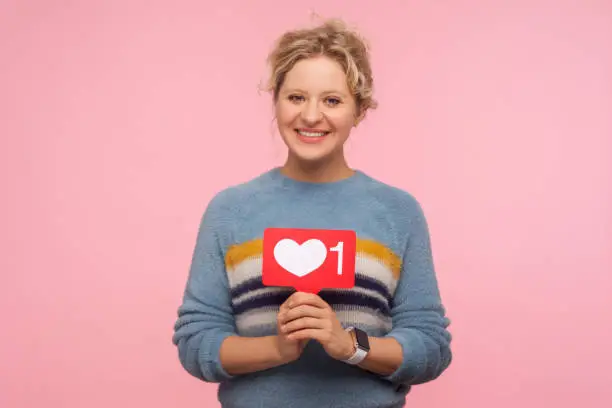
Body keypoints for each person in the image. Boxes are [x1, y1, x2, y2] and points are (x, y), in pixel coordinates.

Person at [172, 18, 452, 408]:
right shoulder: (230, 210)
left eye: (332, 100)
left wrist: (348, 345)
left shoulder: (397, 211)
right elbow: (195, 341)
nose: (310, 116)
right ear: (276, 101)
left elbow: (430, 347)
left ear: (359, 110)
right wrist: (277, 348)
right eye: (296, 97)